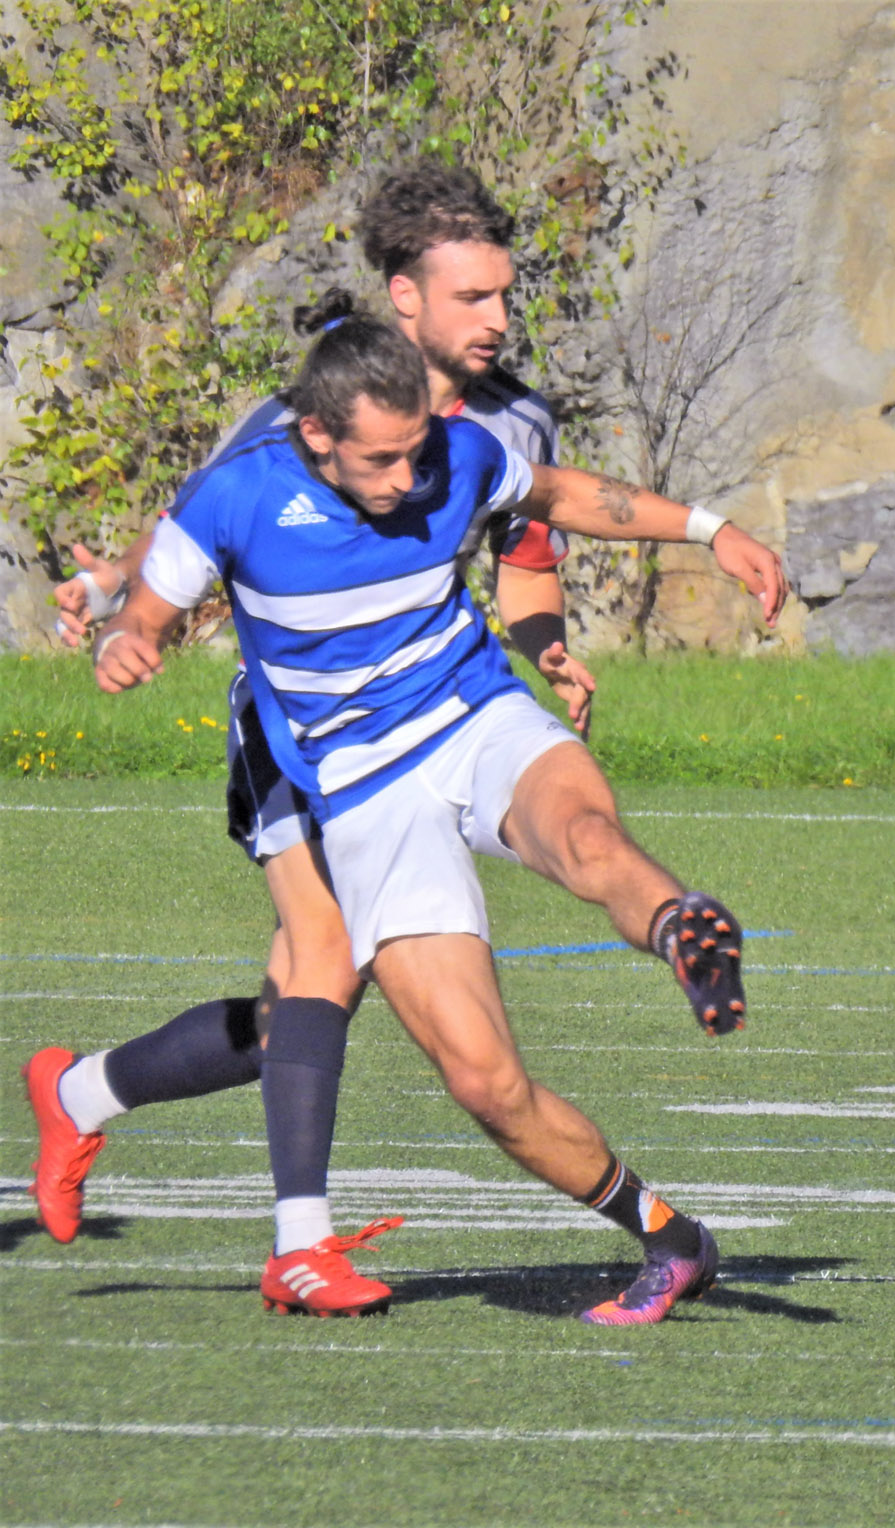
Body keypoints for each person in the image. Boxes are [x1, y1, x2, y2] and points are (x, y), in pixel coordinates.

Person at [86, 313, 787, 1325]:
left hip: (473, 713)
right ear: (317, 436)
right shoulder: (236, 498)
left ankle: (684, 930)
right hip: (367, 793)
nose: (408, 477)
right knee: (485, 1083)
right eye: (381, 458)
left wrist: (712, 529)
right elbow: (145, 614)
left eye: (417, 449)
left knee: (586, 839)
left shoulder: (453, 452)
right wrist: (127, 645)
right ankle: (672, 1238)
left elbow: (563, 493)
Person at [23, 163, 598, 1317]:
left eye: (504, 294)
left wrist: (544, 650)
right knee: (327, 964)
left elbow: (528, 562)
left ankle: (83, 1091)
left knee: (298, 1006)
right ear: (407, 300)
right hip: (294, 735)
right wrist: (124, 598)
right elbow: (208, 514)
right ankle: (300, 1246)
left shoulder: (513, 418)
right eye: (474, 298)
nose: (498, 319)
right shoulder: (323, 399)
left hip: (422, 723)